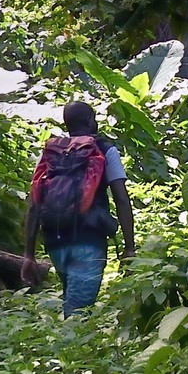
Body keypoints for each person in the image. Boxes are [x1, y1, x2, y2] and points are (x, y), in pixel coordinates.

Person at [22, 99, 135, 315]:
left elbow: (34, 203)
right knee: (77, 316)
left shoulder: (51, 152)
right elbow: (121, 198)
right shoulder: (104, 149)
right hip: (89, 243)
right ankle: (68, 348)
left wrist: (29, 254)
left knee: (72, 304)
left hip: (55, 242)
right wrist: (129, 247)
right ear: (90, 121)